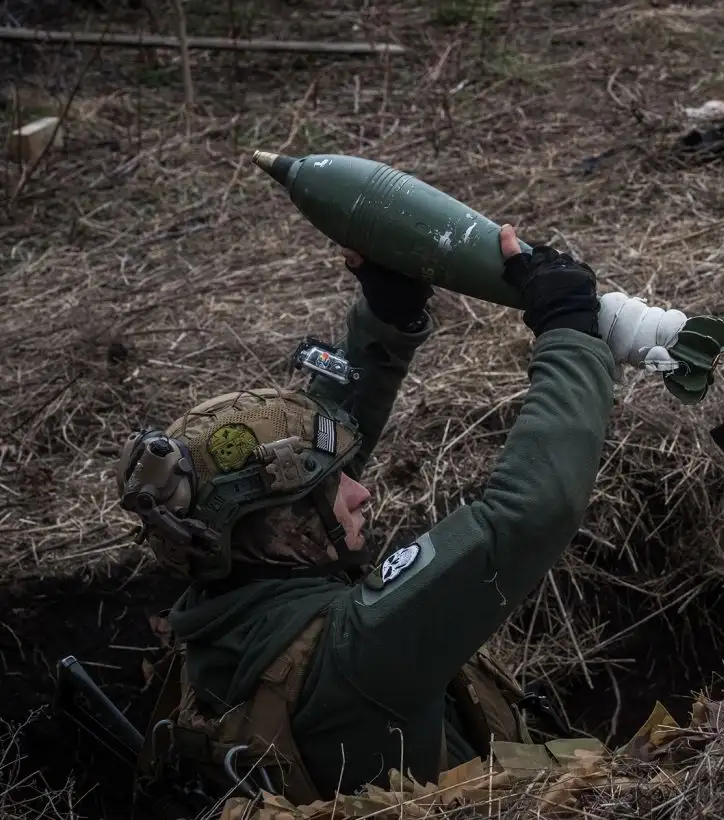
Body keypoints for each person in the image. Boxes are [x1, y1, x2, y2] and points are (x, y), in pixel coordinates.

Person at [115, 225, 617, 804]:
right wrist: (570, 334)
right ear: (276, 529)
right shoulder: (356, 650)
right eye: (333, 488)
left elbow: (310, 452)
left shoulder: (222, 615)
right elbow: (530, 511)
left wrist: (387, 315)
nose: (364, 493)